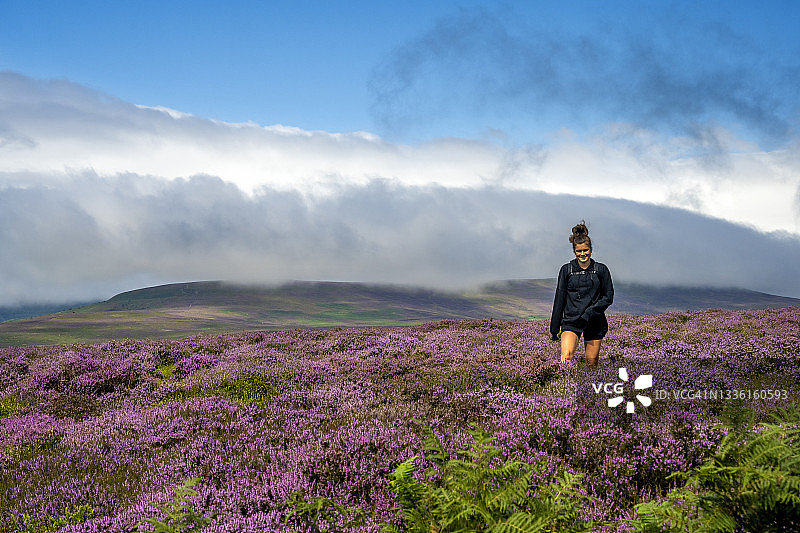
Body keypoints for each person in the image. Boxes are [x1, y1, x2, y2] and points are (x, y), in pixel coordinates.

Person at [550, 222, 614, 366]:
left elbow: (608, 297)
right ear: (574, 251)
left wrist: (590, 312)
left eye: (586, 250)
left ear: (591, 250)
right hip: (571, 321)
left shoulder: (601, 270)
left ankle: (588, 388)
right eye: (579, 251)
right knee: (566, 357)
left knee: (592, 363)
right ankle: (565, 387)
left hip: (595, 321)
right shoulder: (566, 270)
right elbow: (559, 298)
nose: (583, 254)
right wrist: (554, 329)